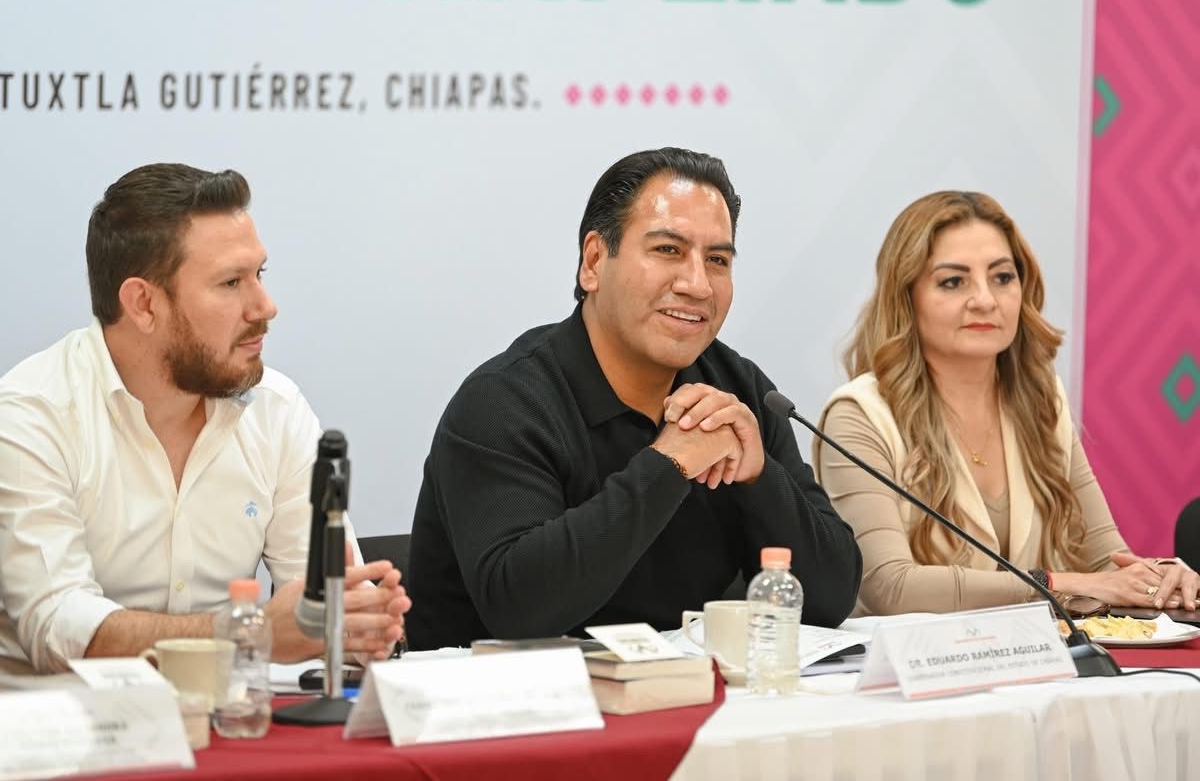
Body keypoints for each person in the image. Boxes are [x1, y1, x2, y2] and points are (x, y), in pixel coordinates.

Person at [406, 147, 862, 649]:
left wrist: (760, 479)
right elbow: (521, 611)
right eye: (668, 250)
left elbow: (830, 600)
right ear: (594, 262)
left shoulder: (738, 393)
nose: (697, 285)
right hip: (505, 694)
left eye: (717, 260)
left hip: (681, 687)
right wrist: (668, 465)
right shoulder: (503, 403)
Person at [0, 163, 410, 674]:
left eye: (259, 274)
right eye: (231, 282)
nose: (265, 306)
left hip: (233, 711)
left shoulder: (275, 409)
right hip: (66, 719)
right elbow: (58, 630)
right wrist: (248, 633)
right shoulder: (31, 416)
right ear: (143, 304)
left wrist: (357, 627)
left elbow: (329, 603)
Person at [816, 190, 1200, 616]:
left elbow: (1107, 562)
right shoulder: (859, 416)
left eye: (1002, 277)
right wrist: (1055, 584)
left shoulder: (1041, 399)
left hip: (1026, 655)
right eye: (953, 281)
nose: (986, 300)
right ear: (906, 297)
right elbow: (889, 586)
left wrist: (1160, 578)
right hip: (902, 657)